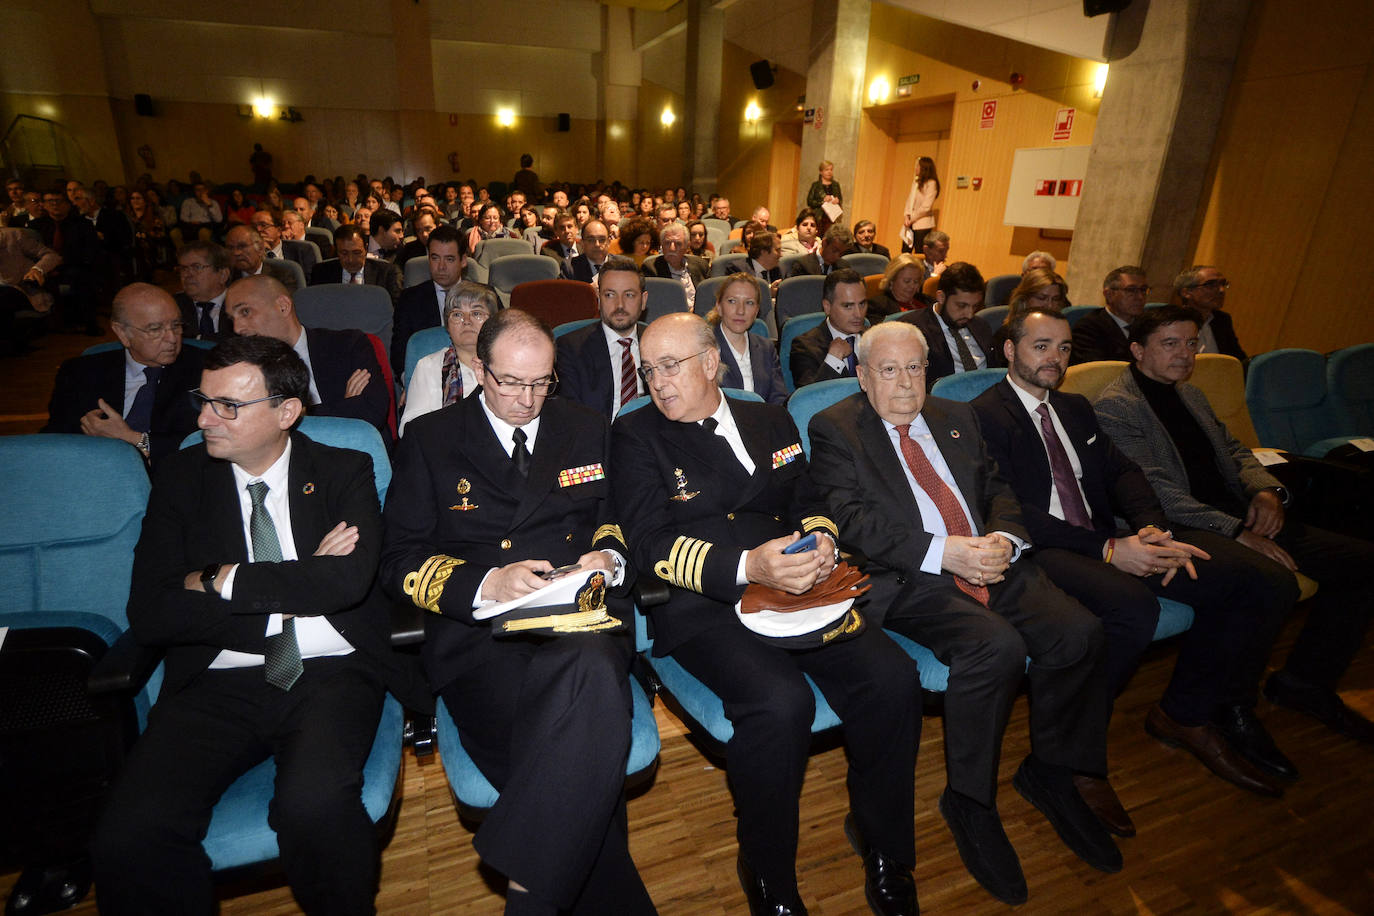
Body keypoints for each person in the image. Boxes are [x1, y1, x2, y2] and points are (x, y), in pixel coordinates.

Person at [90, 334, 410, 916]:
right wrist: (301, 578)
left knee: (312, 807)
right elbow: (153, 611)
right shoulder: (181, 479)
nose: (204, 418)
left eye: (227, 406)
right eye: (204, 399)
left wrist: (220, 578)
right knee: (129, 834)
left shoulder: (344, 467)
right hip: (215, 681)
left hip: (330, 671)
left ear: (286, 412)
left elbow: (346, 584)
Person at [613, 313, 920, 916]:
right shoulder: (636, 436)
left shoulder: (767, 417)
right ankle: (766, 867)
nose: (656, 381)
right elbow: (646, 546)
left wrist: (822, 540)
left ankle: (885, 843)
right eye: (648, 369)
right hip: (708, 600)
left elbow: (809, 500)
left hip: (802, 587)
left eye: (669, 366)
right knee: (782, 704)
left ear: (709, 363)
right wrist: (749, 566)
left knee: (893, 680)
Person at [808, 321, 1120, 905]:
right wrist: (943, 551)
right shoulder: (836, 428)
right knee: (995, 646)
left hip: (991, 559)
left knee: (1079, 632)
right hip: (913, 576)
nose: (905, 384)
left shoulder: (958, 416)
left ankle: (1053, 772)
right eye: (889, 370)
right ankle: (971, 801)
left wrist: (1004, 536)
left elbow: (998, 487)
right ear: (862, 374)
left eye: (916, 368)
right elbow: (848, 520)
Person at [382, 308, 653, 915]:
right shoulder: (431, 438)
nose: (528, 399)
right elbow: (398, 559)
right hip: (485, 640)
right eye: (511, 382)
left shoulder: (584, 425)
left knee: (586, 665)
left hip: (581, 616)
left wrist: (606, 557)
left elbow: (616, 519)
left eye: (542, 383)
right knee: (585, 745)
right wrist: (487, 581)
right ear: (480, 369)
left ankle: (527, 889)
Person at [974, 308, 1296, 807]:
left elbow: (1125, 473)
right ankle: (1073, 757)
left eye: (1063, 348)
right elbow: (1011, 509)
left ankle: (1187, 713)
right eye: (1041, 346)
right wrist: (1106, 549)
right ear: (1011, 350)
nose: (1055, 358)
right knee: (1132, 607)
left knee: (1258, 580)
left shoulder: (1076, 408)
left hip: (1112, 536)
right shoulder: (983, 415)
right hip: (1047, 550)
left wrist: (1151, 528)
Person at [1093, 307, 1374, 755]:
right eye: (1170, 343)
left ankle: (1304, 682)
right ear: (1137, 350)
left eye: (1191, 343)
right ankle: (1224, 707)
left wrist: (1268, 492)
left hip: (1242, 515)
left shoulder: (1192, 396)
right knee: (1271, 583)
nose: (1184, 354)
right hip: (1179, 524)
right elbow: (1153, 490)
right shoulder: (1117, 406)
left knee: (1362, 561)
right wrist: (1235, 531)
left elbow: (1238, 452)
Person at [43, 283, 202, 471]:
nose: (172, 338)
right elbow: (55, 439)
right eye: (155, 329)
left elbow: (203, 443)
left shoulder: (206, 368)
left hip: (172, 477)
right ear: (122, 333)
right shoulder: (80, 372)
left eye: (176, 325)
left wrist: (133, 439)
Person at [226, 274, 392, 444]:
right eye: (232, 319)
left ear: (283, 306)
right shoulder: (243, 367)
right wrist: (343, 406)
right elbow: (255, 431)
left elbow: (371, 413)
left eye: (245, 312)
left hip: (356, 453)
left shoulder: (348, 344)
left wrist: (300, 414)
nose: (237, 328)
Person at [555, 256, 646, 418]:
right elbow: (571, 418)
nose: (620, 305)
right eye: (610, 295)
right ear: (598, 298)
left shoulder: (658, 345)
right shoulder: (571, 349)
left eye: (629, 295)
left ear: (643, 300)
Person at [397, 282, 491, 434]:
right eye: (457, 314)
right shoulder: (428, 366)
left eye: (476, 313)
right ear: (447, 325)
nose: (467, 320)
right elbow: (409, 428)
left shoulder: (508, 364)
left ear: (492, 322)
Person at [896, 262, 997, 389]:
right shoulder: (912, 330)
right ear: (941, 297)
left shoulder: (981, 326)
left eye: (975, 306)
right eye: (962, 306)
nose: (970, 314)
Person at [392, 225, 467, 377]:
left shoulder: (485, 297)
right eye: (435, 258)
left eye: (449, 259)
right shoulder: (409, 299)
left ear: (463, 260)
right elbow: (399, 352)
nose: (441, 267)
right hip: (425, 378)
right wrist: (410, 381)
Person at [707, 273, 786, 405]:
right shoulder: (703, 347)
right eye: (732, 301)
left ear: (756, 311)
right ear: (719, 307)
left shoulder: (766, 347)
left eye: (749, 303)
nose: (741, 311)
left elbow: (779, 398)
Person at [788, 268, 869, 390]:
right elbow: (810, 401)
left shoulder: (876, 338)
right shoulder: (805, 346)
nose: (858, 314)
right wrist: (833, 358)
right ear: (827, 307)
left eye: (862, 304)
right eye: (848, 306)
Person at [309, 224, 403, 307]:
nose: (350, 259)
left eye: (356, 252)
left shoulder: (386, 273)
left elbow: (395, 309)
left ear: (366, 249)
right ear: (336, 251)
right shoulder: (321, 272)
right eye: (344, 253)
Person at [1072, 266, 1149, 364]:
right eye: (1131, 290)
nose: (1140, 297)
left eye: (1143, 290)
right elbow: (1098, 371)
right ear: (1109, 295)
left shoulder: (1149, 324)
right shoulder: (1087, 328)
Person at [1175, 265, 1246, 361]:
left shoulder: (1222, 320)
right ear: (1187, 292)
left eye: (1223, 284)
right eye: (1210, 285)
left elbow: (1238, 360)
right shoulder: (1174, 322)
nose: (1221, 290)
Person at [174, 241, 234, 340]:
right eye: (183, 268)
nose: (187, 275)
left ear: (223, 275)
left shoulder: (241, 304)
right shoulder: (174, 306)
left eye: (196, 267)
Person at [642, 223, 705, 310]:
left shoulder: (700, 265)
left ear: (687, 246)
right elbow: (657, 305)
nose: (672, 248)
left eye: (678, 244)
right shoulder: (651, 268)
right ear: (662, 246)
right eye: (667, 243)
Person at [224, 225, 301, 293]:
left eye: (242, 246)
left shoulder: (282, 276)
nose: (236, 253)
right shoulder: (225, 278)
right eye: (230, 248)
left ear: (260, 249)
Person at [867, 253, 925, 320]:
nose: (912, 286)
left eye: (916, 281)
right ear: (892, 280)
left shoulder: (926, 301)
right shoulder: (877, 306)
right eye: (907, 281)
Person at [901, 157, 939, 253]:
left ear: (924, 168)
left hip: (922, 224)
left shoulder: (931, 183)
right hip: (909, 222)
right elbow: (909, 200)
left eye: (918, 166)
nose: (916, 168)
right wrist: (906, 216)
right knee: (905, 251)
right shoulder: (916, 182)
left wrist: (912, 219)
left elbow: (926, 207)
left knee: (919, 252)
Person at [787, 224, 854, 278]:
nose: (837, 257)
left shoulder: (844, 267)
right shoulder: (802, 265)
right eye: (834, 251)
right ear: (824, 243)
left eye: (842, 253)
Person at [561, 220, 612, 284]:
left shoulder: (623, 266)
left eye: (602, 240)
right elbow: (563, 293)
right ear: (582, 243)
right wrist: (588, 290)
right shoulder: (570, 267)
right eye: (591, 240)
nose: (597, 244)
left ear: (609, 242)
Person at [806, 160, 843, 233]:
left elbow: (840, 199)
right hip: (818, 217)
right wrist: (823, 201)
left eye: (831, 170)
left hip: (832, 217)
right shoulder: (815, 185)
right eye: (826, 170)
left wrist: (837, 201)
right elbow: (809, 201)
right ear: (821, 172)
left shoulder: (836, 185)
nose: (829, 172)